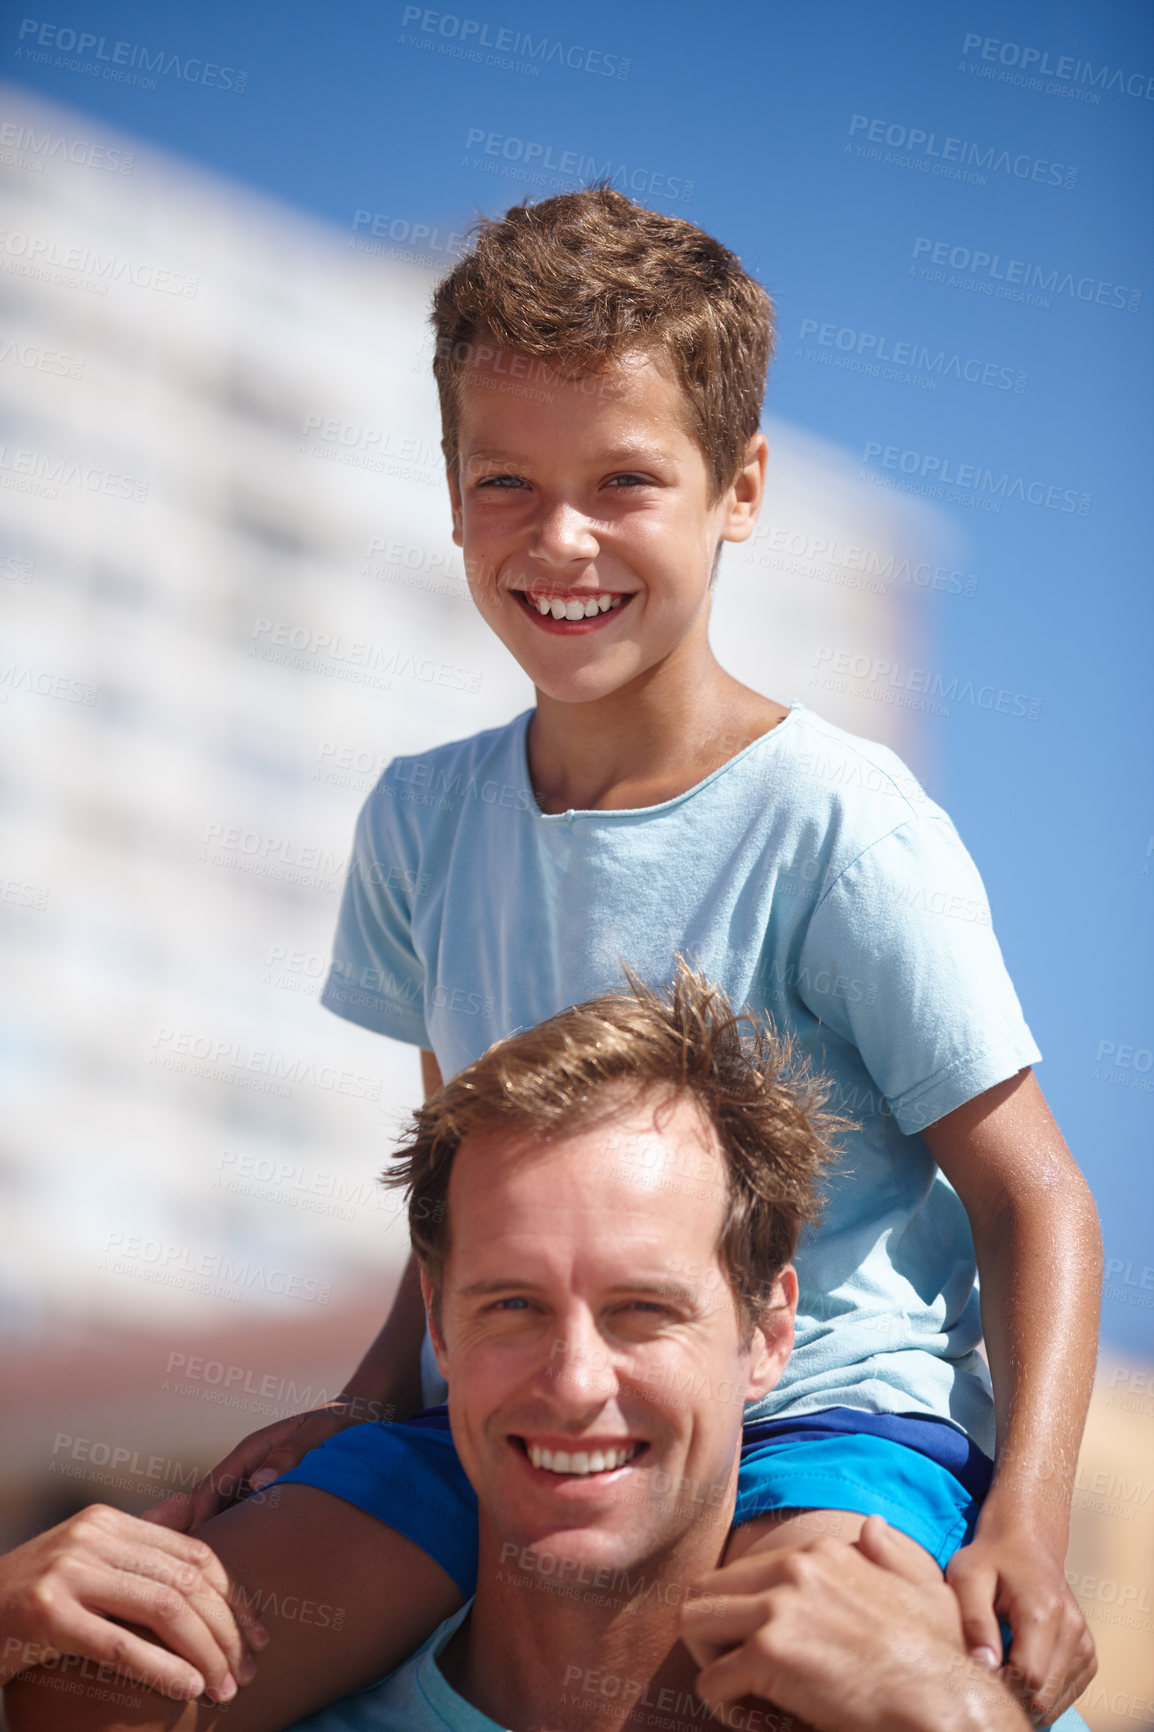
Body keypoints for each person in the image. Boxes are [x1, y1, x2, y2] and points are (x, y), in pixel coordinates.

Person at [151, 188, 1098, 1722]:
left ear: (738, 490)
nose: (561, 538)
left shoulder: (837, 822)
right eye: (505, 480)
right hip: (507, 1412)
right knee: (177, 1669)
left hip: (830, 1420)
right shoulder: (420, 818)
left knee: (726, 1683)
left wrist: (1025, 1529)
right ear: (451, 491)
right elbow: (458, 1196)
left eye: (625, 481)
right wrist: (375, 1401)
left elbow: (1033, 1195)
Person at [5, 969, 1070, 1731]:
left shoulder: (939, 1701)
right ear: (435, 1326)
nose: (571, 1382)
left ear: (767, 1334)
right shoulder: (229, 1699)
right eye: (512, 1304)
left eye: (642, 1309)